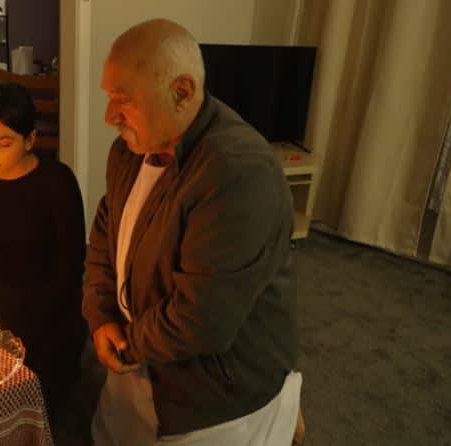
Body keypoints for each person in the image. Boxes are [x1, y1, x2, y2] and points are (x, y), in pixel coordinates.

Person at [83, 19, 302, 445]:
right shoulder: (129, 151)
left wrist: (127, 343)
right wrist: (100, 313)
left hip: (216, 389)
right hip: (140, 355)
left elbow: (201, 322)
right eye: (109, 99)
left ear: (181, 92)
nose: (110, 118)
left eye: (123, 100)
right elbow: (104, 236)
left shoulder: (238, 172)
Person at [0, 83, 87, 417]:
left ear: (29, 141)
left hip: (51, 315)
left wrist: (23, 322)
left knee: (37, 403)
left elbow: (71, 267)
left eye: (4, 143)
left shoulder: (57, 182)